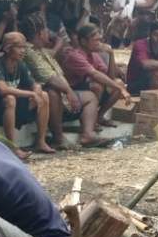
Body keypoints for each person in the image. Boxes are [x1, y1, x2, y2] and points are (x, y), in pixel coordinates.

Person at [20, 14, 101, 148]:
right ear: (40, 33)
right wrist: (69, 91)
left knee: (91, 96)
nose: (48, 34)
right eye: (46, 30)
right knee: (52, 92)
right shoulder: (29, 52)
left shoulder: (41, 50)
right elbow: (50, 78)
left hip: (61, 96)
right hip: (36, 100)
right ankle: (58, 138)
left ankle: (88, 134)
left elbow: (58, 73)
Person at [0, 32, 53, 156]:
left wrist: (36, 91)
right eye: (19, 47)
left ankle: (41, 141)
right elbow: (3, 90)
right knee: (10, 98)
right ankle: (12, 147)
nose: (23, 51)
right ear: (7, 48)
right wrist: (31, 94)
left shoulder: (20, 65)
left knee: (44, 95)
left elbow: (34, 84)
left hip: (13, 109)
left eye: (24, 47)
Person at [62, 24, 130, 132]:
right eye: (95, 40)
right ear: (84, 41)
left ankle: (99, 116)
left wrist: (111, 54)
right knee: (98, 86)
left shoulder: (93, 55)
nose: (99, 43)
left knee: (118, 83)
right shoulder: (74, 55)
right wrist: (120, 89)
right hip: (71, 91)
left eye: (99, 40)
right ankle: (89, 123)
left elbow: (110, 77)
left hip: (86, 88)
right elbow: (95, 74)